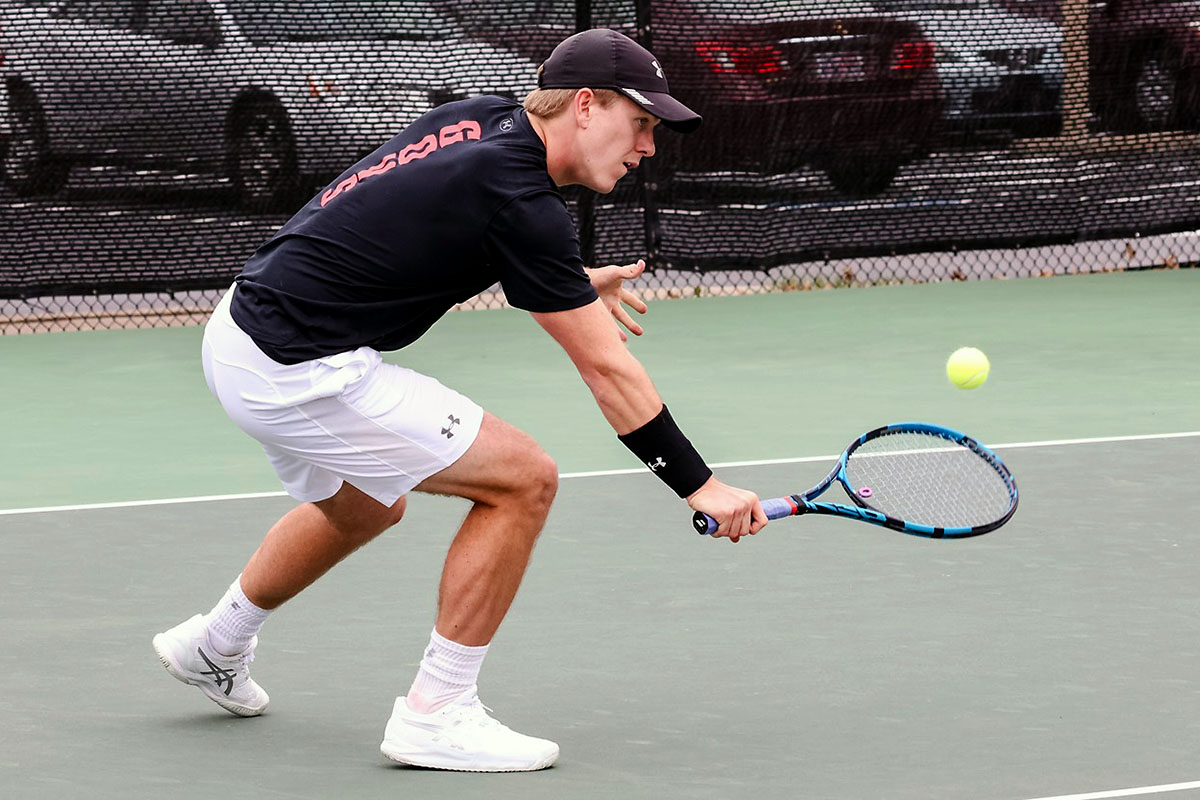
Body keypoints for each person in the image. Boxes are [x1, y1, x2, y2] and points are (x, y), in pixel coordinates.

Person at [152, 28, 767, 773]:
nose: (647, 147)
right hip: (295, 365)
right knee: (523, 480)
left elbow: (411, 225)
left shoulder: (478, 120)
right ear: (584, 106)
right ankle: (436, 712)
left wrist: (568, 283)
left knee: (366, 505)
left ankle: (213, 645)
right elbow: (607, 370)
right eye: (639, 122)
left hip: (242, 330)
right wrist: (699, 485)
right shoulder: (520, 198)